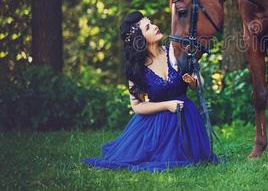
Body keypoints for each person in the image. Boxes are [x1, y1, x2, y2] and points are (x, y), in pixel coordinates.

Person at [83, 11, 217, 172]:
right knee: (148, 158)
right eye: (148, 27)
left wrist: (194, 82)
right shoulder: (136, 69)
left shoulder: (174, 52)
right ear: (140, 39)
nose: (155, 27)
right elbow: (137, 106)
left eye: (152, 23)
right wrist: (167, 105)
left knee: (192, 158)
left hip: (186, 117)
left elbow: (200, 82)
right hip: (157, 123)